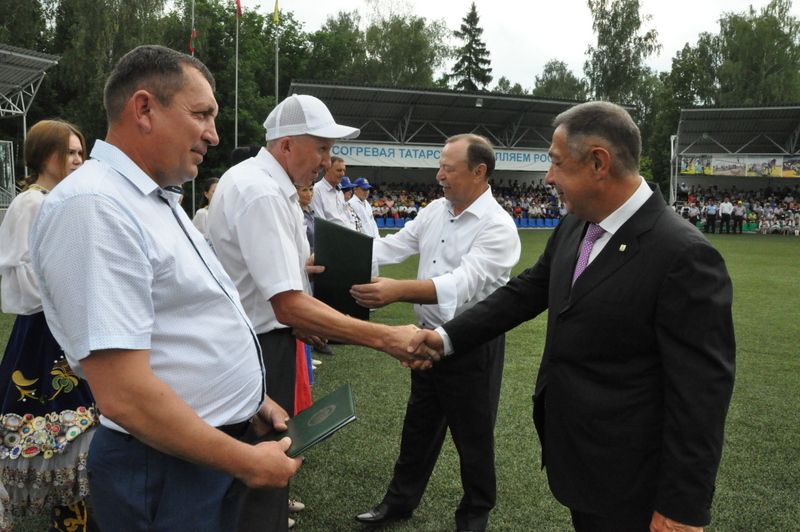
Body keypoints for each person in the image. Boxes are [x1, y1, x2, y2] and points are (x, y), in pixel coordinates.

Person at [410, 102, 736, 532]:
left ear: (598, 162)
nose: (548, 177)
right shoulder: (577, 224)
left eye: (556, 163)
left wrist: (682, 509)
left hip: (634, 483)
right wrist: (446, 338)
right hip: (582, 464)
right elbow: (526, 292)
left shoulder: (684, 255)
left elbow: (701, 397)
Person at [29, 45, 301, 531]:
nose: (214, 135)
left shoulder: (152, 197)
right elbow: (126, 395)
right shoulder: (95, 206)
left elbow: (186, 320)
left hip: (193, 450)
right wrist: (242, 459)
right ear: (144, 109)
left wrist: (249, 401)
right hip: (164, 462)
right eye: (202, 115)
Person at [206, 93, 427, 532]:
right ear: (287, 145)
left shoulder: (265, 184)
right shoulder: (263, 192)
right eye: (322, 148)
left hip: (259, 341)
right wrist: (385, 339)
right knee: (261, 477)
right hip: (259, 348)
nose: (328, 162)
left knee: (264, 472)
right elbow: (286, 304)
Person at [350, 134, 521, 532]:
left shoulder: (498, 226)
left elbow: (463, 282)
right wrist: (333, 254)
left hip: (471, 343)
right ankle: (399, 502)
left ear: (479, 172)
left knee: (474, 438)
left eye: (448, 167)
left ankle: (474, 517)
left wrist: (398, 290)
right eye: (440, 165)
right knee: (418, 426)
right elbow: (391, 246)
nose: (439, 174)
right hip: (425, 337)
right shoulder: (434, 211)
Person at [0, 119, 96, 530]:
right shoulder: (33, 202)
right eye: (69, 152)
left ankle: (73, 511)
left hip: (67, 326)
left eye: (80, 152)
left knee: (79, 421)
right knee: (56, 421)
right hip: (44, 332)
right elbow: (21, 270)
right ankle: (65, 512)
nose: (77, 159)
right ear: (45, 155)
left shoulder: (60, 198)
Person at [312, 155, 354, 229]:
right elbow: (320, 223)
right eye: (339, 170)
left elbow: (348, 217)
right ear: (327, 170)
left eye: (344, 170)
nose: (342, 174)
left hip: (349, 235)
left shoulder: (340, 192)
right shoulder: (316, 190)